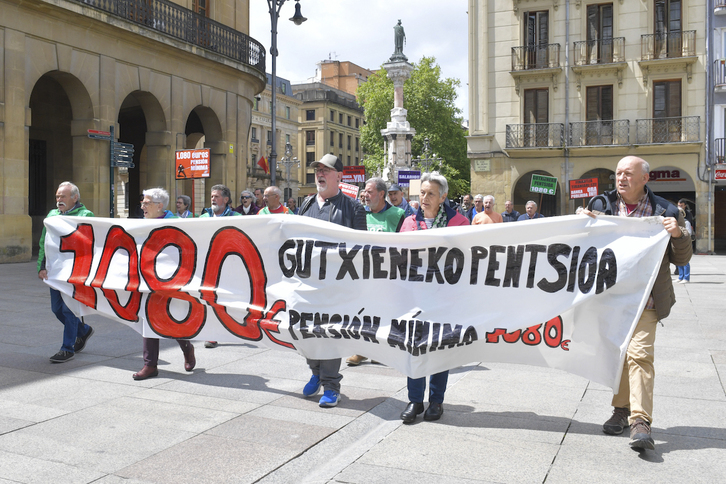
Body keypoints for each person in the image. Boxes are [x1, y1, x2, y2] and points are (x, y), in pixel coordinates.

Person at [585, 156, 691, 451]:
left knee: (640, 356)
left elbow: (682, 260)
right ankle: (620, 411)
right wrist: (584, 225)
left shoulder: (666, 212)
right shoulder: (600, 206)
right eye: (618, 173)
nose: (621, 178)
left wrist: (677, 234)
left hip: (647, 299)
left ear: (645, 178)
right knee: (619, 355)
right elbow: (585, 249)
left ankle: (639, 422)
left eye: (628, 174)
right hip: (611, 298)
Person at [399, 171, 469, 423]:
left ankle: (436, 401)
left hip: (445, 299)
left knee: (439, 349)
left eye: (431, 194)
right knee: (414, 349)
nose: (425, 198)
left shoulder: (459, 223)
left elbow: (465, 259)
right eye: (422, 193)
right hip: (415, 298)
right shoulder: (409, 222)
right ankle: (415, 400)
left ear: (443, 197)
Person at [298, 154, 367, 407]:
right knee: (305, 333)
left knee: (329, 335)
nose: (320, 174)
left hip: (336, 286)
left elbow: (362, 250)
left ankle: (331, 385)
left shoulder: (353, 208)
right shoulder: (305, 205)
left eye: (326, 170)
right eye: (317, 170)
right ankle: (315, 372)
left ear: (339, 176)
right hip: (307, 284)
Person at [133, 188, 196, 380]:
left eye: (146, 203)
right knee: (148, 318)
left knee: (171, 319)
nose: (142, 206)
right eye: (142, 203)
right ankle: (150, 364)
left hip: (171, 280)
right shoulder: (138, 225)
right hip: (146, 279)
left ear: (159, 206)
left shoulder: (176, 224)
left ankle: (187, 347)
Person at [346, 177, 406, 367]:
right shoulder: (359, 213)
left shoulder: (398, 214)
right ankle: (361, 351)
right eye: (364, 191)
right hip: (363, 275)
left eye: (370, 191)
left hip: (389, 275)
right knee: (362, 314)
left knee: (385, 314)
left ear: (381, 194)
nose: (365, 195)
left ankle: (382, 351)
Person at [38, 182, 95, 363]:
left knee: (68, 309)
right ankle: (83, 331)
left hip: (74, 271)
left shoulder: (85, 216)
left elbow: (91, 244)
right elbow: (43, 242)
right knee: (57, 309)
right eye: (57, 197)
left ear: (74, 198)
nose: (59, 200)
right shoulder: (52, 215)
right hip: (55, 270)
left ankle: (67, 348)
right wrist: (41, 265)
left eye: (63, 196)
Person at [200, 184, 240, 348]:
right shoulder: (203, 217)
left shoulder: (236, 216)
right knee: (210, 299)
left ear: (226, 199)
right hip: (208, 264)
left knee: (230, 299)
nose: (213, 199)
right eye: (212, 196)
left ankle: (235, 327)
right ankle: (212, 334)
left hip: (229, 264)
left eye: (216, 196)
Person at [676, 206, 692, 284]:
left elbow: (689, 233)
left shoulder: (686, 222)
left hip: (684, 243)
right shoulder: (676, 223)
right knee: (679, 260)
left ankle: (686, 277)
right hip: (677, 243)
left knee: (685, 260)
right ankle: (680, 276)